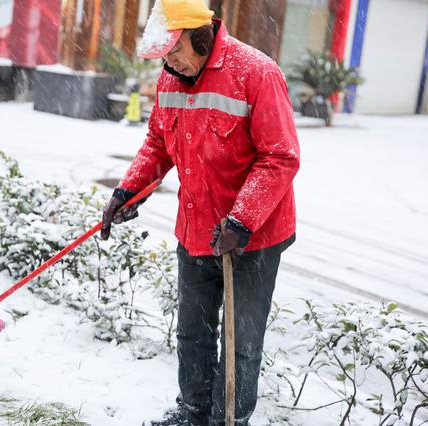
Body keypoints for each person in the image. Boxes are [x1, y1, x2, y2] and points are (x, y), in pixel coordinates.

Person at [100, 0, 300, 424]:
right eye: (164, 56)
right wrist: (128, 190)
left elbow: (280, 157)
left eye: (175, 52)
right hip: (195, 228)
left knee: (241, 341)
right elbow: (158, 143)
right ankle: (192, 412)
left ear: (203, 37)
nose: (169, 64)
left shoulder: (256, 73)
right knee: (193, 331)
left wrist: (242, 220)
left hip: (254, 237)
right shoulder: (171, 80)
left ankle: (229, 419)